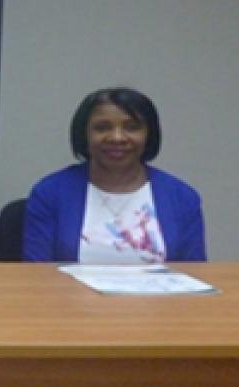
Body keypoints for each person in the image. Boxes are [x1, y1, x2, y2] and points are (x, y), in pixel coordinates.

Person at [23, 87, 205, 263]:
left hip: (162, 296)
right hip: (68, 295)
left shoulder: (181, 198)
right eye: (102, 128)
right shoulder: (50, 194)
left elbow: (194, 277)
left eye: (132, 127)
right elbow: (37, 277)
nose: (117, 138)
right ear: (84, 134)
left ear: (149, 135)